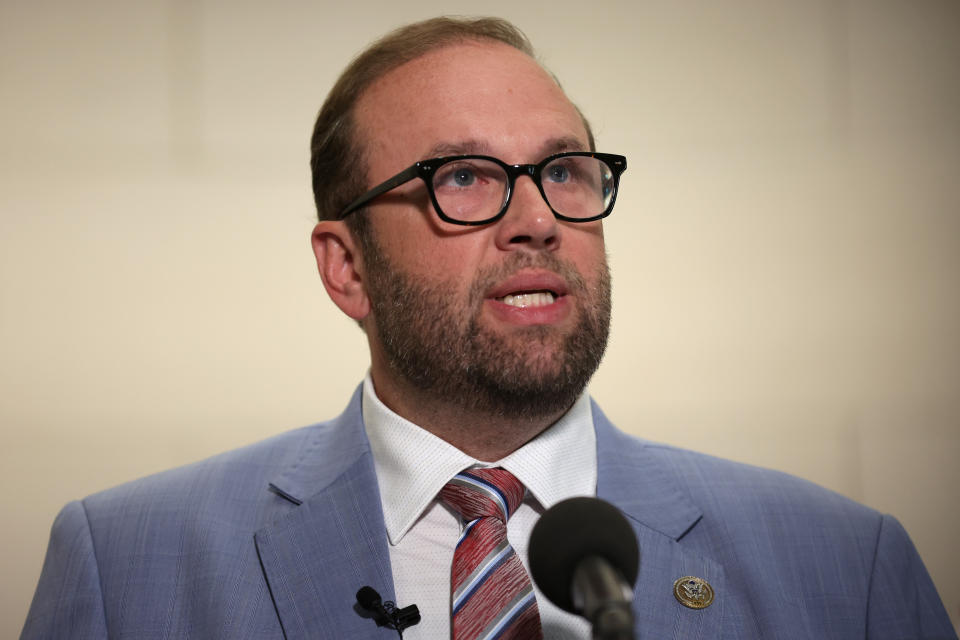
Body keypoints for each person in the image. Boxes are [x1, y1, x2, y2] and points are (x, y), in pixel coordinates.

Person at [21, 16, 954, 640]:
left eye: (565, 171)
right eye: (463, 177)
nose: (539, 216)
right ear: (347, 269)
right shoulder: (128, 569)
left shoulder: (847, 569)